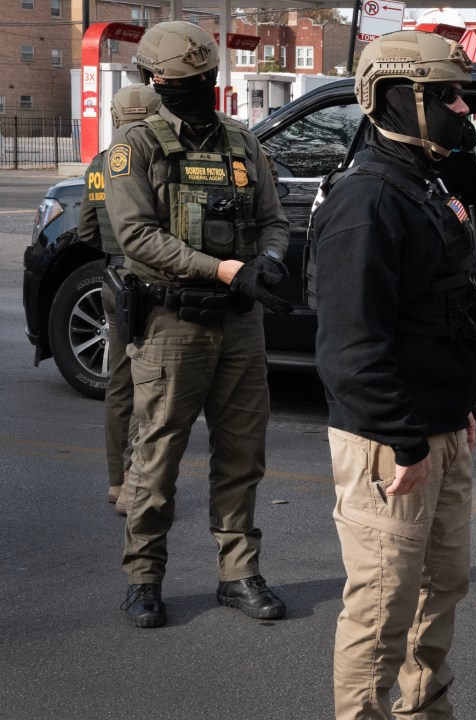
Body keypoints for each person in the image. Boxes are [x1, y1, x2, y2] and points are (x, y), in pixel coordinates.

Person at [310, 30, 476, 720]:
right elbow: (351, 349)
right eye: (445, 95)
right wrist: (408, 441)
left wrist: (455, 406)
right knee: (383, 610)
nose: (461, 107)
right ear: (398, 98)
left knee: (439, 590)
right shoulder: (368, 200)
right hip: (393, 445)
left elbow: (442, 312)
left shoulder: (423, 184)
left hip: (438, 428)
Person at [104, 20, 291, 629]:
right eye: (180, 82)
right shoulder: (137, 147)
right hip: (170, 324)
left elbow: (274, 219)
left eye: (203, 80)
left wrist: (268, 262)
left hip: (239, 326)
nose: (194, 89)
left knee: (243, 455)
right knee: (155, 456)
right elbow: (137, 237)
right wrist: (224, 269)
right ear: (154, 81)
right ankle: (144, 577)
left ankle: (238, 574)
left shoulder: (242, 142)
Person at [77, 83, 160, 516]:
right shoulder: (152, 158)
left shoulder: (98, 164)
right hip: (149, 281)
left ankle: (116, 481)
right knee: (154, 387)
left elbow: (87, 232)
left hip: (112, 279)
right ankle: (137, 482)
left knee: (119, 386)